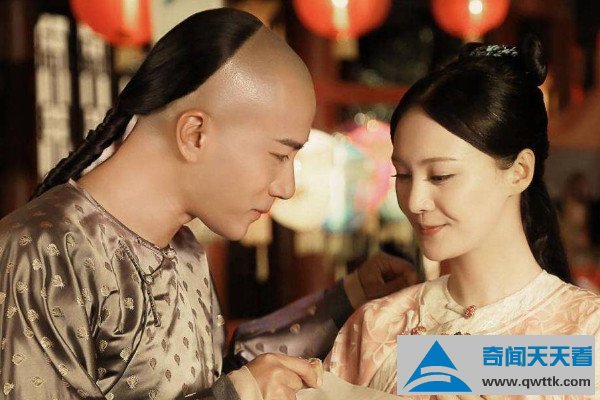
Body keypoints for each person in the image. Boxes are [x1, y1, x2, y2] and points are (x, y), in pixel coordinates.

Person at [0, 8, 418, 400]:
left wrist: (347, 298)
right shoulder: (40, 252)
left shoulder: (183, 249)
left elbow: (221, 375)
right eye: (279, 155)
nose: (287, 187)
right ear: (195, 134)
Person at [326, 36, 600, 398]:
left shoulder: (586, 333)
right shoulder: (377, 326)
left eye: (440, 176)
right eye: (403, 175)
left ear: (519, 171)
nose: (416, 201)